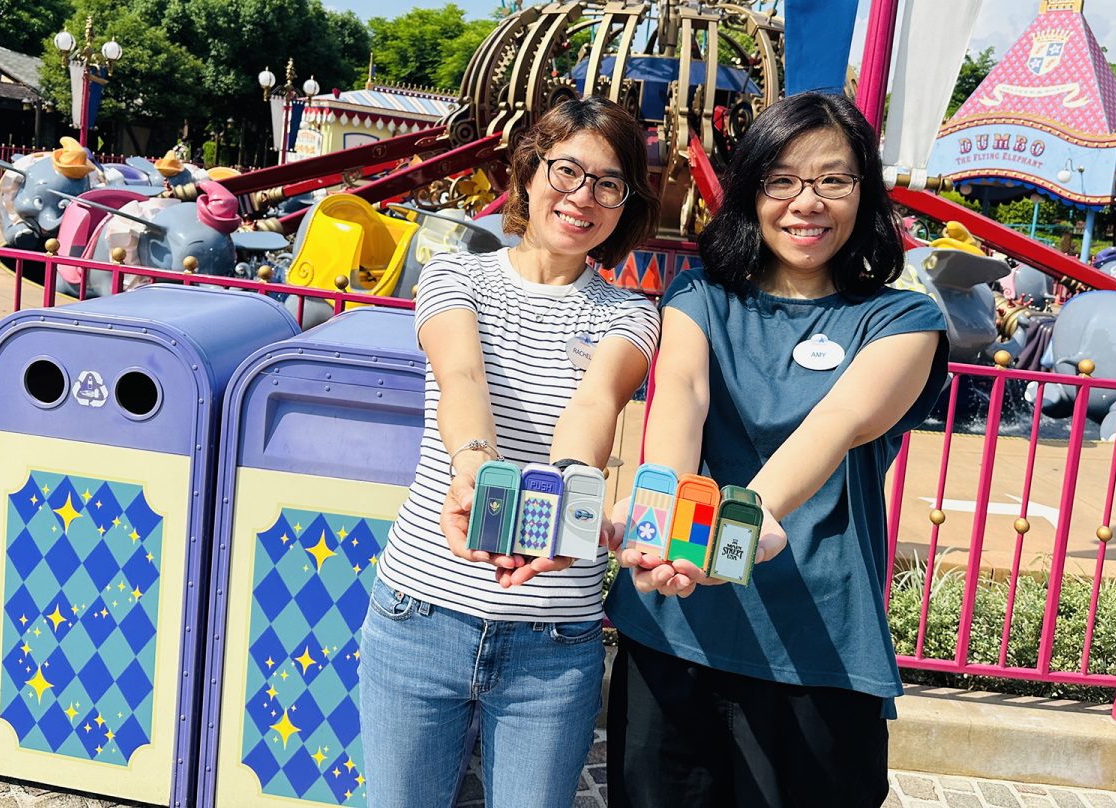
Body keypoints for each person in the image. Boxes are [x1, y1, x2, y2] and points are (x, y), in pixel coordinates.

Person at [605, 92, 948, 808]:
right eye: (782, 180)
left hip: (818, 646)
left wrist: (744, 519)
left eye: (833, 180)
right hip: (676, 628)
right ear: (752, 190)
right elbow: (681, 403)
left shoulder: (903, 319)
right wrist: (662, 531)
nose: (807, 202)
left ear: (865, 193)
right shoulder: (700, 298)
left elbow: (839, 421)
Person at [361, 97, 662, 808]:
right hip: (420, 611)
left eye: (608, 183)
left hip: (554, 638)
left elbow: (593, 406)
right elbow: (461, 376)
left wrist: (557, 507)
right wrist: (474, 470)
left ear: (626, 204)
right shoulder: (455, 276)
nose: (582, 197)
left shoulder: (631, 314)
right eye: (567, 171)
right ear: (529, 172)